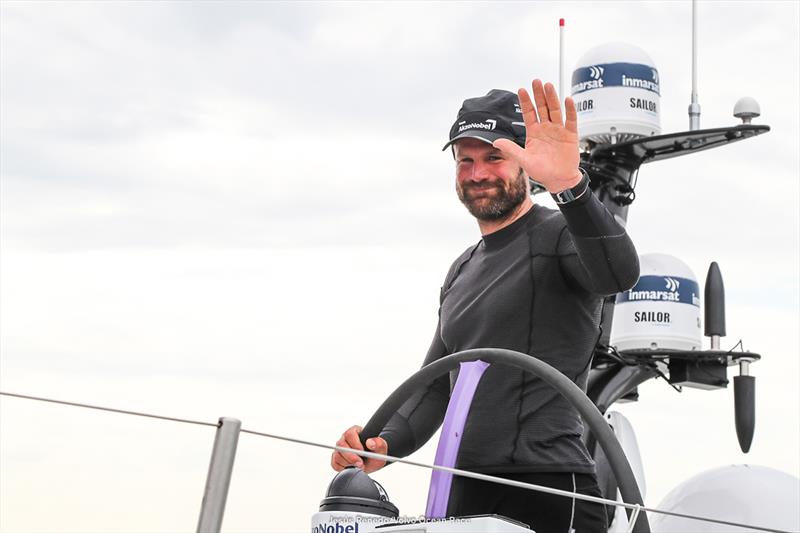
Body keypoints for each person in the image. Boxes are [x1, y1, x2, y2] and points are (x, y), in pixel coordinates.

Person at [330, 79, 640, 532]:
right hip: (464, 490)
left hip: (548, 489)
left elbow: (618, 275)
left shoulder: (559, 234)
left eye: (495, 157)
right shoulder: (462, 268)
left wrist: (569, 185)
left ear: (525, 162)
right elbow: (435, 386)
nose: (478, 173)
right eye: (465, 161)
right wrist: (381, 443)